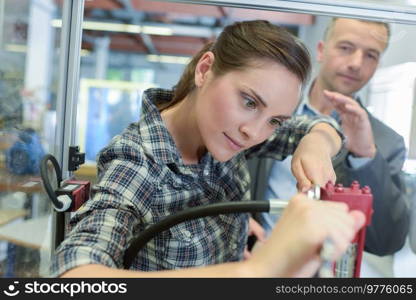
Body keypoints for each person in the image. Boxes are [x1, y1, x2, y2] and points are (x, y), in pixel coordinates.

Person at [51, 20, 365, 278]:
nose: (253, 132)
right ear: (204, 70)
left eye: (275, 121)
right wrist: (256, 271)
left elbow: (319, 127)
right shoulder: (137, 161)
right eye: (249, 102)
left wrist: (316, 143)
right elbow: (75, 277)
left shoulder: (227, 135)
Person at [249, 18, 409, 256]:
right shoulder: (265, 111)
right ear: (322, 50)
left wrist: (364, 158)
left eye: (371, 55)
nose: (356, 63)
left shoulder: (385, 143)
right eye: (346, 48)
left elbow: (386, 242)